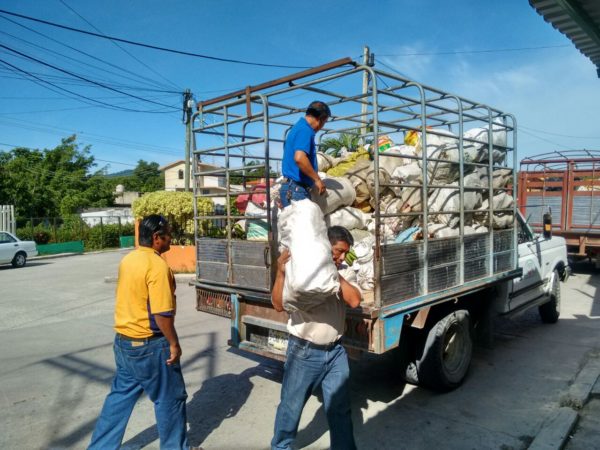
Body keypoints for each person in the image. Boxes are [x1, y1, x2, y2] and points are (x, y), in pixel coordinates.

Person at [88, 215, 197, 450]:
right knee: (170, 399)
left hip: (124, 343)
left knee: (119, 398)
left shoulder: (129, 260)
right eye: (168, 233)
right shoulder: (157, 266)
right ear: (157, 238)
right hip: (150, 347)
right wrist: (174, 344)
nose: (171, 238)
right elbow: (161, 313)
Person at [271, 226, 361, 450]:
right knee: (291, 408)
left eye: (344, 253)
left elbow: (355, 301)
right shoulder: (301, 270)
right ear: (324, 246)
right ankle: (280, 447)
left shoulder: (344, 271)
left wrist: (333, 272)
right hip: (304, 351)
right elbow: (278, 304)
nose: (340, 257)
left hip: (336, 352)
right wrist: (281, 272)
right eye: (338, 251)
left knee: (340, 408)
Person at [280, 100, 331, 207]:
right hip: (296, 189)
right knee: (302, 224)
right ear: (320, 119)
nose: (322, 126)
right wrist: (317, 179)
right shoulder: (305, 130)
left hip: (292, 187)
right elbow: (299, 158)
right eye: (324, 122)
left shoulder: (298, 128)